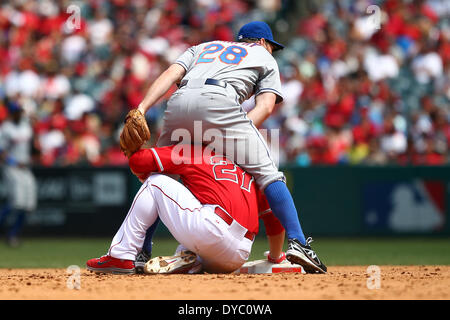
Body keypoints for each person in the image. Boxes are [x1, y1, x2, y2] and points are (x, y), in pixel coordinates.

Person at [122, 21, 326, 273]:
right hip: (219, 101)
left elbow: (171, 75)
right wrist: (232, 135)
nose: (272, 51)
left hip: (179, 101)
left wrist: (141, 108)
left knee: (160, 174)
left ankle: (141, 251)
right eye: (272, 46)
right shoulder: (264, 55)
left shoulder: (203, 47)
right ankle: (299, 243)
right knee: (270, 175)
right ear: (262, 42)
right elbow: (265, 107)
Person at [86, 144, 286, 274]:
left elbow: (138, 162)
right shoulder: (248, 171)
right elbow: (274, 219)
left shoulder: (195, 151)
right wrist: (276, 256)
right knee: (202, 214)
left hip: (211, 230)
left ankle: (121, 254)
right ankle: (192, 259)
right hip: (239, 253)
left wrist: (133, 150)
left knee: (155, 182)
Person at [0, 101, 37, 247]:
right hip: (12, 168)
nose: (19, 113)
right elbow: (1, 152)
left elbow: (31, 145)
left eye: (20, 111)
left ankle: (13, 235)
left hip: (26, 168)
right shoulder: (6, 128)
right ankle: (10, 234)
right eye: (16, 111)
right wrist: (14, 162)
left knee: (28, 205)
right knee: (17, 202)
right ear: (11, 112)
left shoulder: (25, 125)